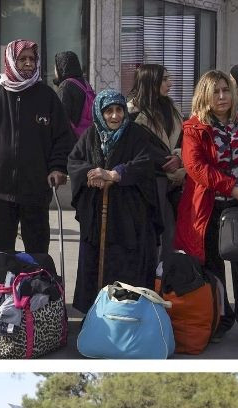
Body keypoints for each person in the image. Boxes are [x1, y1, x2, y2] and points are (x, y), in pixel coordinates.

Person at [174, 69, 238, 348]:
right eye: (215, 91)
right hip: (210, 209)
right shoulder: (194, 127)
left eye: (226, 90)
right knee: (211, 269)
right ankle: (219, 322)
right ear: (204, 96)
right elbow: (196, 168)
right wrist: (233, 188)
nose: (222, 96)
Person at [0, 39, 74, 256]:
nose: (28, 63)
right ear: (11, 61)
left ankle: (39, 289)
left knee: (38, 252)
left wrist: (58, 167)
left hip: (37, 189)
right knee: (0, 253)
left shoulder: (47, 97)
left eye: (32, 59)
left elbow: (62, 138)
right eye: (22, 59)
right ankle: (0, 290)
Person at [67, 89, 162, 314]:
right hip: (97, 218)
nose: (115, 116)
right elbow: (74, 161)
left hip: (129, 218)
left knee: (127, 267)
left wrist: (115, 174)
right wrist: (92, 174)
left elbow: (145, 162)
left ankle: (127, 315)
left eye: (119, 110)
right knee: (95, 264)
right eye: (108, 111)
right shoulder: (90, 135)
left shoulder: (136, 134)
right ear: (100, 114)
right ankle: (96, 317)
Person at [127, 63, 185, 258]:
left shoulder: (172, 108)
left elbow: (186, 139)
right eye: (165, 79)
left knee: (173, 233)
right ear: (151, 82)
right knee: (155, 233)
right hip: (151, 180)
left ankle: (166, 277)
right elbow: (139, 147)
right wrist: (167, 162)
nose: (170, 83)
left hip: (177, 179)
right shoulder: (132, 112)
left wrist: (179, 157)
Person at [53, 50, 95, 138]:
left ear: (61, 68)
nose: (55, 71)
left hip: (73, 140)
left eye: (55, 67)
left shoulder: (65, 86)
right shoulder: (85, 84)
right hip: (87, 136)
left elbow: (61, 118)